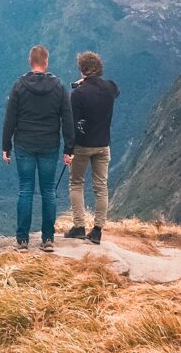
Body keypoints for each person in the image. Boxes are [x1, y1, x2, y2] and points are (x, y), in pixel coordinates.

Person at [1, 45, 74, 253]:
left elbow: (10, 119)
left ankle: (22, 240)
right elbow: (67, 119)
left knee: (25, 190)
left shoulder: (19, 86)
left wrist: (6, 146)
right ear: (46, 62)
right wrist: (69, 149)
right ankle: (48, 239)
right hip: (49, 145)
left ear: (29, 61)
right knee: (48, 191)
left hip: (24, 144)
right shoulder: (59, 86)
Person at [64, 51, 119, 245]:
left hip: (82, 146)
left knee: (76, 183)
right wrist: (88, 82)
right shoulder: (110, 87)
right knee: (101, 187)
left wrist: (68, 149)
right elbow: (111, 91)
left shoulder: (77, 94)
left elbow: (72, 123)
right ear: (99, 68)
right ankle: (97, 231)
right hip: (103, 145)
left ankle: (79, 227)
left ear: (81, 69)